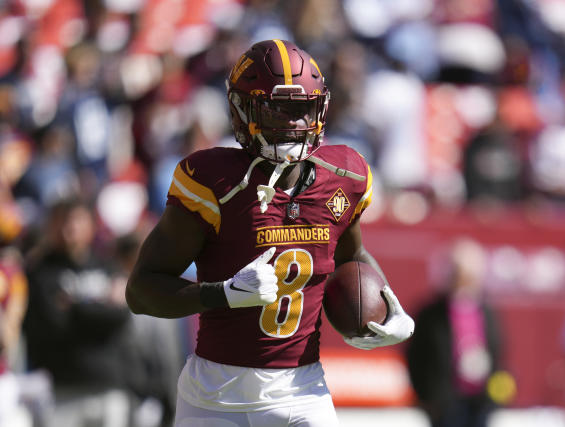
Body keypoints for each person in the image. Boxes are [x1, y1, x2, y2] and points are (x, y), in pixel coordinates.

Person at [125, 39, 415, 427]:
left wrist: (385, 300)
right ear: (242, 111)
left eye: (302, 110)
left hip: (302, 390)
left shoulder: (344, 177)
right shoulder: (216, 183)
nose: (294, 123)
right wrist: (221, 294)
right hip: (215, 395)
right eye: (278, 109)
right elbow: (141, 291)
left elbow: (352, 257)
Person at [23, 198, 134, 427]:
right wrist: (101, 306)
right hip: (64, 388)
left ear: (91, 225)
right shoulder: (41, 272)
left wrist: (75, 307)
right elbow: (53, 323)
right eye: (62, 221)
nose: (69, 228)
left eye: (76, 221)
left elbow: (122, 316)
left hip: (109, 386)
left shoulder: (107, 266)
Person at [407, 238, 501, 427]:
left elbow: (497, 352)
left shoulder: (486, 311)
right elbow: (415, 356)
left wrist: (494, 399)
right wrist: (427, 398)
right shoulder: (431, 314)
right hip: (445, 404)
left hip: (479, 402)